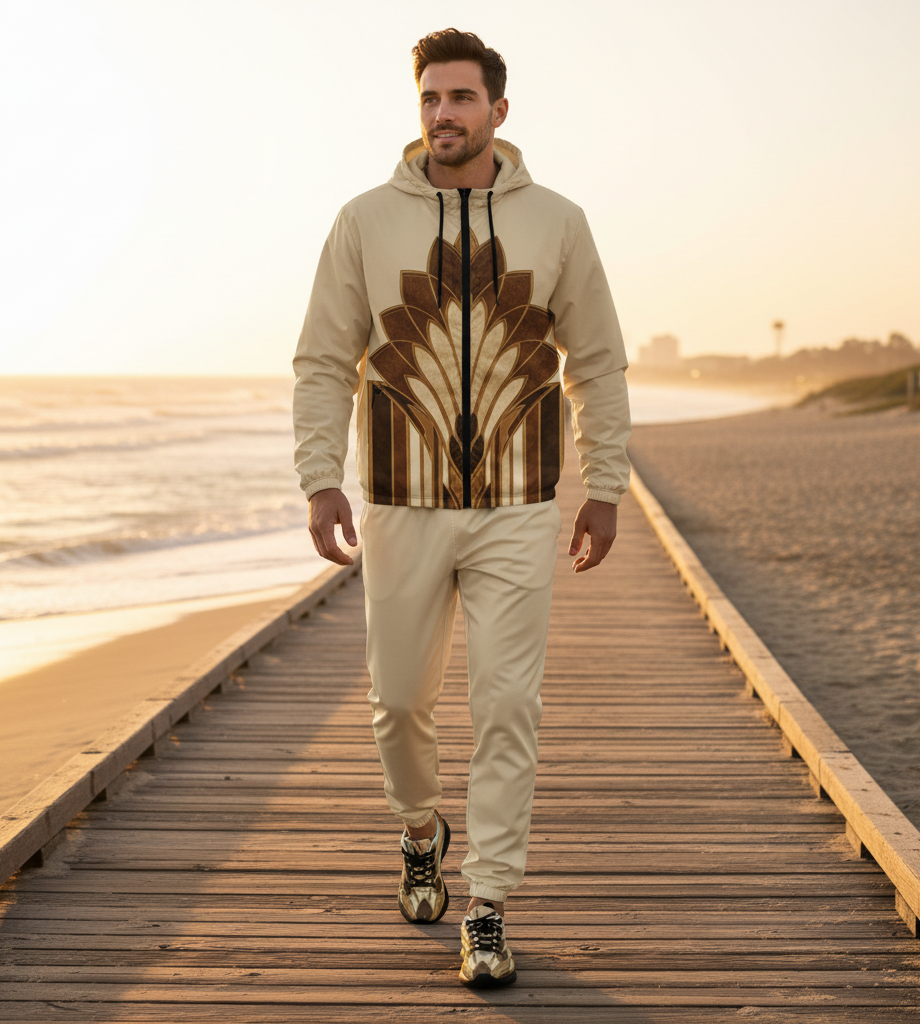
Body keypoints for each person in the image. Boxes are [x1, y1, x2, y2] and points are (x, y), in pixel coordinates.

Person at [293, 27, 631, 988]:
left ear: (499, 111)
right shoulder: (364, 221)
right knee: (397, 701)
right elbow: (323, 360)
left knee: (506, 703)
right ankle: (419, 829)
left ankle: (488, 903)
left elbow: (597, 364)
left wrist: (602, 487)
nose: (443, 115)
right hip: (401, 500)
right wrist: (321, 477)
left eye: (461, 99)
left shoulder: (558, 222)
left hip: (520, 504)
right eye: (430, 100)